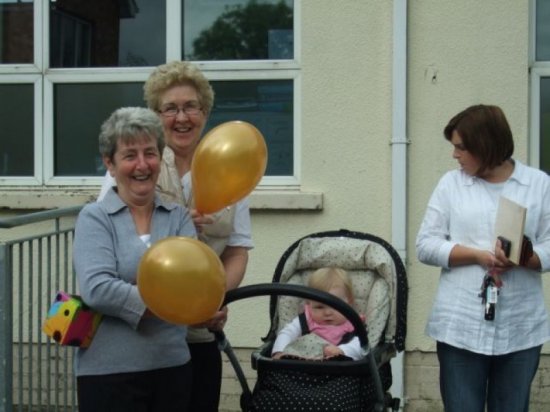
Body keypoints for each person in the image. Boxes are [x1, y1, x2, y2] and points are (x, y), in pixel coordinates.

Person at [98, 61, 253, 411]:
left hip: (201, 331)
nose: (181, 118)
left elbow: (238, 249)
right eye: (170, 109)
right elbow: (111, 235)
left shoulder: (229, 165)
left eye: (190, 107)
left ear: (205, 112)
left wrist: (213, 300)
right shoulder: (141, 165)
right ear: (156, 115)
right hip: (143, 330)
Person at [416, 104, 550, 412]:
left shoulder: (538, 184)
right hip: (459, 324)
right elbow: (425, 245)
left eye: (461, 147)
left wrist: (524, 259)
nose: (455, 155)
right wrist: (477, 255)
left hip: (520, 325)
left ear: (485, 145)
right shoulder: (451, 184)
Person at [73, 107, 197, 411]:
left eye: (150, 153)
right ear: (110, 164)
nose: (142, 165)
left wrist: (185, 300)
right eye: (129, 155)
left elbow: (192, 283)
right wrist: (170, 304)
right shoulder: (94, 217)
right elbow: (98, 288)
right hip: (108, 373)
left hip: (172, 366)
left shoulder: (178, 217)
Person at [271, 267, 364, 361]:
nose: (327, 313)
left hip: (340, 369)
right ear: (309, 303)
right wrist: (279, 351)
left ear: (349, 302)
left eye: (335, 306)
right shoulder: (306, 319)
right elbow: (287, 333)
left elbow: (362, 345)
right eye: (319, 307)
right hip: (303, 367)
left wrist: (342, 350)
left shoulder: (353, 323)